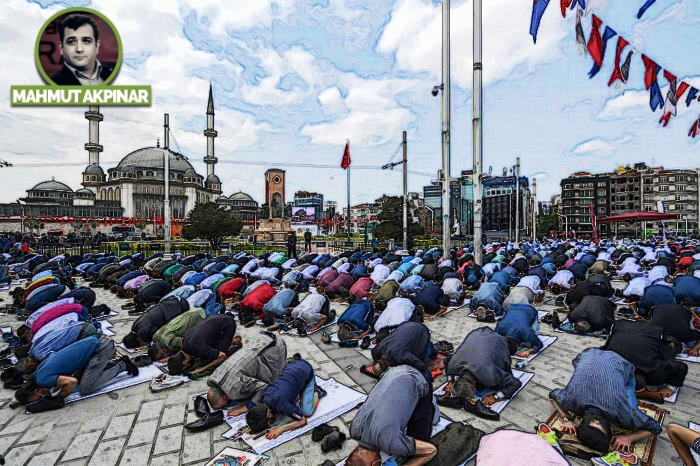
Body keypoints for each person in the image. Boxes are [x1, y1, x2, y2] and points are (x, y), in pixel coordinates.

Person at [549, 348, 662, 455]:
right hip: (589, 353)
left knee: (632, 408)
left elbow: (655, 428)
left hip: (620, 362)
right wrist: (566, 418)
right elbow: (552, 395)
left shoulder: (623, 412)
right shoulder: (571, 400)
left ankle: (632, 388)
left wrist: (629, 437)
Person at [346, 365, 438, 466]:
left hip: (417, 378)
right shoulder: (354, 429)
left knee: (420, 439)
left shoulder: (391, 443)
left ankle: (432, 403)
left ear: (376, 464)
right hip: (391, 373)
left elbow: (431, 450)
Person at [439, 327, 520, 420]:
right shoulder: (453, 364)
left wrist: (495, 396)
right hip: (478, 333)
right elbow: (447, 361)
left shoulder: (490, 375)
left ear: (474, 387)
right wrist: (450, 381)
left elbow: (515, 383)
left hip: (492, 339)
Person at [603, 319, 688, 400]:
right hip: (612, 369)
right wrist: (671, 388)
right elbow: (681, 367)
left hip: (605, 365)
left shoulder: (623, 324)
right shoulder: (654, 365)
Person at [206, 331, 287, 412]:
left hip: (275, 347)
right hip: (260, 337)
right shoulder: (215, 376)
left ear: (225, 397)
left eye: (224, 405)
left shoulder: (236, 385)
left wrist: (247, 407)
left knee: (273, 380)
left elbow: (264, 387)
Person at [245, 358, 324, 439]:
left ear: (268, 415)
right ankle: (301, 389)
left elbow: (302, 420)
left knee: (306, 411)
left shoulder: (283, 406)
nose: (271, 423)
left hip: (306, 370)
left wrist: (280, 429)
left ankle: (317, 391)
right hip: (291, 368)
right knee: (289, 397)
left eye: (269, 422)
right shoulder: (264, 398)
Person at [50, 14, 117, 86]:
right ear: (61, 48)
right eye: (71, 42)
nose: (79, 49)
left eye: (86, 41)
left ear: (97, 46)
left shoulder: (119, 71)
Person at [168, 313, 239, 376]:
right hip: (214, 318)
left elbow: (222, 356)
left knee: (217, 357)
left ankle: (235, 342)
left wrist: (202, 368)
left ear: (185, 362)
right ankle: (231, 340)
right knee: (207, 352)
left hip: (227, 323)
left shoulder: (199, 349)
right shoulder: (184, 343)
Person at [367, 322, 434, 381]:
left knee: (421, 358)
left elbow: (421, 366)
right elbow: (373, 352)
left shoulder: (402, 356)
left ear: (389, 367)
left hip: (421, 330)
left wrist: (427, 380)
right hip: (406, 325)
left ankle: (430, 347)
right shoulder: (378, 350)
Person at [122, 296, 190, 349]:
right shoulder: (134, 326)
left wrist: (151, 344)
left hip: (178, 308)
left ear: (138, 340)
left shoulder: (143, 333)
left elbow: (158, 334)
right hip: (170, 302)